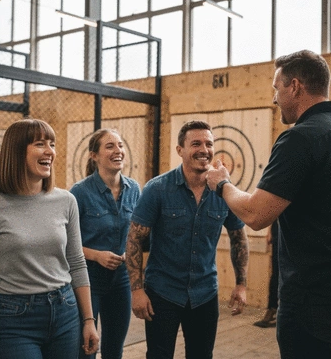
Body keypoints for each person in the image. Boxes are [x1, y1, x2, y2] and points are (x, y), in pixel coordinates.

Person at [206, 50, 331, 359]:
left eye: (276, 88)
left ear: (294, 86)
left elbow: (255, 213)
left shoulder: (299, 139)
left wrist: (222, 184)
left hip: (311, 301)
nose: (274, 99)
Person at [0, 118, 99, 359]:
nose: (50, 152)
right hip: (15, 319)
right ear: (17, 152)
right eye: (40, 144)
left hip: (65, 309)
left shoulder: (66, 201)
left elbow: (77, 263)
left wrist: (88, 320)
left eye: (52, 144)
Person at [126, 120, 249, 359]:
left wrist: (241, 284)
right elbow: (134, 240)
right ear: (180, 150)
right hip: (162, 293)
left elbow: (238, 238)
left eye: (209, 144)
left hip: (204, 294)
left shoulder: (224, 191)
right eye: (196, 143)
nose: (204, 149)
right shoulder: (158, 189)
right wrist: (137, 290)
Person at [70, 128, 140, 359]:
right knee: (87, 348)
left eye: (120, 145)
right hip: (87, 280)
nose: (118, 150)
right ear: (94, 156)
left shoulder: (134, 190)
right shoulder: (79, 193)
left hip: (121, 280)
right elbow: (66, 244)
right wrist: (96, 255)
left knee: (114, 349)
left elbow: (139, 236)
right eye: (109, 146)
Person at [253, 220, 278, 328]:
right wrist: (270, 231)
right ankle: (272, 309)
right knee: (276, 274)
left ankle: (274, 310)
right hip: (279, 229)